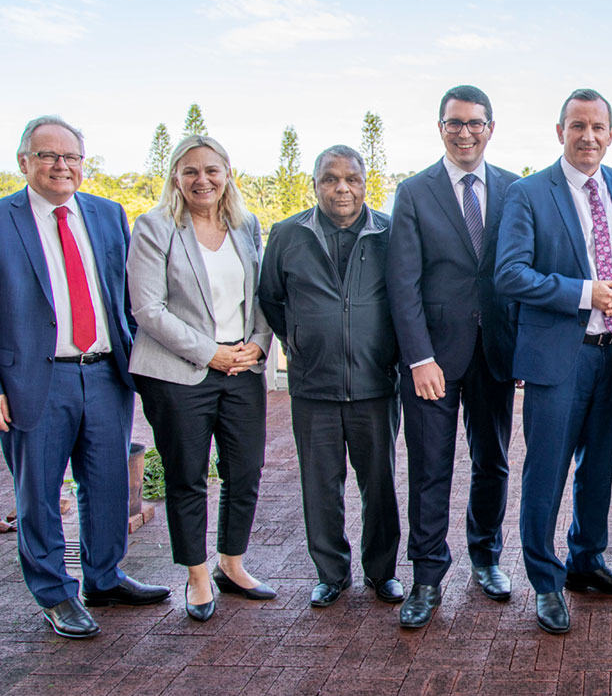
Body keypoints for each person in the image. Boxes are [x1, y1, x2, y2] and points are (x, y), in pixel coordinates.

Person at [0, 116, 170, 639]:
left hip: (105, 376)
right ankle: (55, 593)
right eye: (48, 156)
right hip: (33, 382)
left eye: (70, 157)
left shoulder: (108, 214)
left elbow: (130, 300)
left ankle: (104, 577)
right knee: (40, 493)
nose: (60, 166)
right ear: (24, 161)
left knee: (108, 483)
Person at [495, 88, 612, 634]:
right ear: (559, 131)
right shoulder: (528, 193)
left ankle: (587, 561)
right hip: (555, 359)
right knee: (546, 472)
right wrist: (588, 292)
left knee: (599, 469)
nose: (588, 136)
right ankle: (545, 580)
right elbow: (510, 274)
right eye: (577, 126)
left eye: (598, 127)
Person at [126, 134, 275, 622]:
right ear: (176, 177)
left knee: (245, 472)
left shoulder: (246, 225)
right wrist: (211, 353)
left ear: (227, 173)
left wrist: (258, 342)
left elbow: (261, 295)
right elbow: (148, 308)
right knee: (187, 476)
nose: (202, 179)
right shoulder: (154, 228)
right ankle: (195, 573)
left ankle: (231, 564)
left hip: (243, 368)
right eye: (190, 171)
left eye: (212, 170)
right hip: (179, 373)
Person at [388, 85, 521, 628]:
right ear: (439, 127)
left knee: (492, 462)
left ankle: (485, 558)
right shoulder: (414, 192)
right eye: (454, 123)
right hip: (432, 362)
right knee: (430, 467)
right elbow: (402, 282)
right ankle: (426, 576)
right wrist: (419, 358)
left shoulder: (516, 190)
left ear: (491, 127)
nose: (465, 132)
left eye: (475, 123)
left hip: (494, 354)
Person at [257, 145, 403, 609]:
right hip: (313, 386)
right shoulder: (286, 234)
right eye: (330, 179)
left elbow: (407, 298)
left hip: (376, 385)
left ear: (365, 182)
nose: (342, 188)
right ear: (315, 183)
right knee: (320, 485)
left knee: (379, 484)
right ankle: (331, 574)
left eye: (351, 179)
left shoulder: (391, 233)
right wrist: (299, 340)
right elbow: (271, 297)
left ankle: (382, 574)